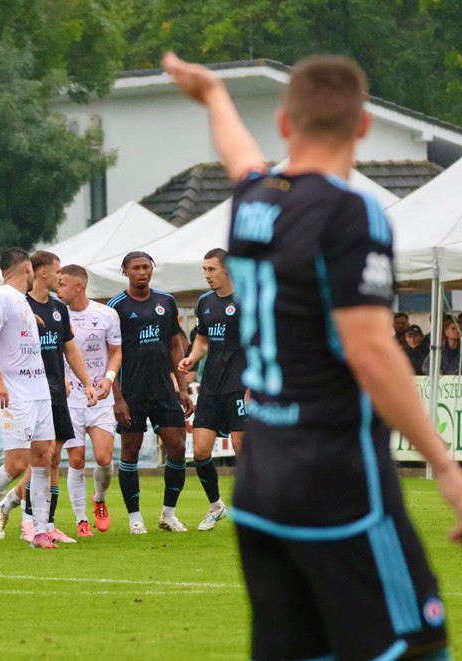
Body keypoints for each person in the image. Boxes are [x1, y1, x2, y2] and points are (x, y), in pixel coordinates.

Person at [164, 51, 462, 659]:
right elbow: (371, 352)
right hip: (338, 480)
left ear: (283, 124)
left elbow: (239, 158)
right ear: (361, 127)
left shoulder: (252, 204)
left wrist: (215, 95)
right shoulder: (353, 213)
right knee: (416, 645)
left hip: (263, 484)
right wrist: (447, 466)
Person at [0, 251, 98, 543]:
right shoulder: (16, 304)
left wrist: (86, 382)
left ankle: (41, 522)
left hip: (54, 391)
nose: (61, 276)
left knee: (51, 459)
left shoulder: (59, 309)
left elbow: (70, 349)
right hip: (26, 393)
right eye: (58, 270)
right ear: (42, 273)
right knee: (31, 460)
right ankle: (28, 522)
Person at [0, 247, 57, 550]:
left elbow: (13, 336)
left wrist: (33, 323)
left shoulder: (22, 302)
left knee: (44, 456)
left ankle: (40, 531)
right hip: (17, 394)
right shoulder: (0, 296)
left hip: (39, 390)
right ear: (28, 268)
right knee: (17, 463)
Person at [107, 251, 195, 534]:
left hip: (163, 389)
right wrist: (117, 397)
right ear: (125, 272)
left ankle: (168, 515)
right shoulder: (115, 307)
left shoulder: (166, 302)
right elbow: (112, 354)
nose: (142, 272)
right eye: (136, 268)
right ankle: (135, 520)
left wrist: (181, 388)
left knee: (178, 448)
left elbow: (174, 345)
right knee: (130, 452)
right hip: (131, 391)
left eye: (146, 267)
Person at [177, 248, 246, 531]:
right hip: (211, 387)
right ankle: (217, 506)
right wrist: (192, 357)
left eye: (211, 269)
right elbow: (202, 340)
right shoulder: (204, 303)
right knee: (201, 451)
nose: (207, 275)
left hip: (240, 387)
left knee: (245, 451)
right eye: (204, 269)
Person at [54, 264, 122, 535]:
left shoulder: (107, 314)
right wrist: (63, 378)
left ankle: (100, 499)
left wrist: (109, 378)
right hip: (71, 399)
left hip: (100, 396)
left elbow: (116, 351)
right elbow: (54, 350)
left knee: (104, 459)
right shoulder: (57, 314)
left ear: (78, 286)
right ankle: (81, 520)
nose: (58, 289)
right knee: (77, 459)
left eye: (62, 284)